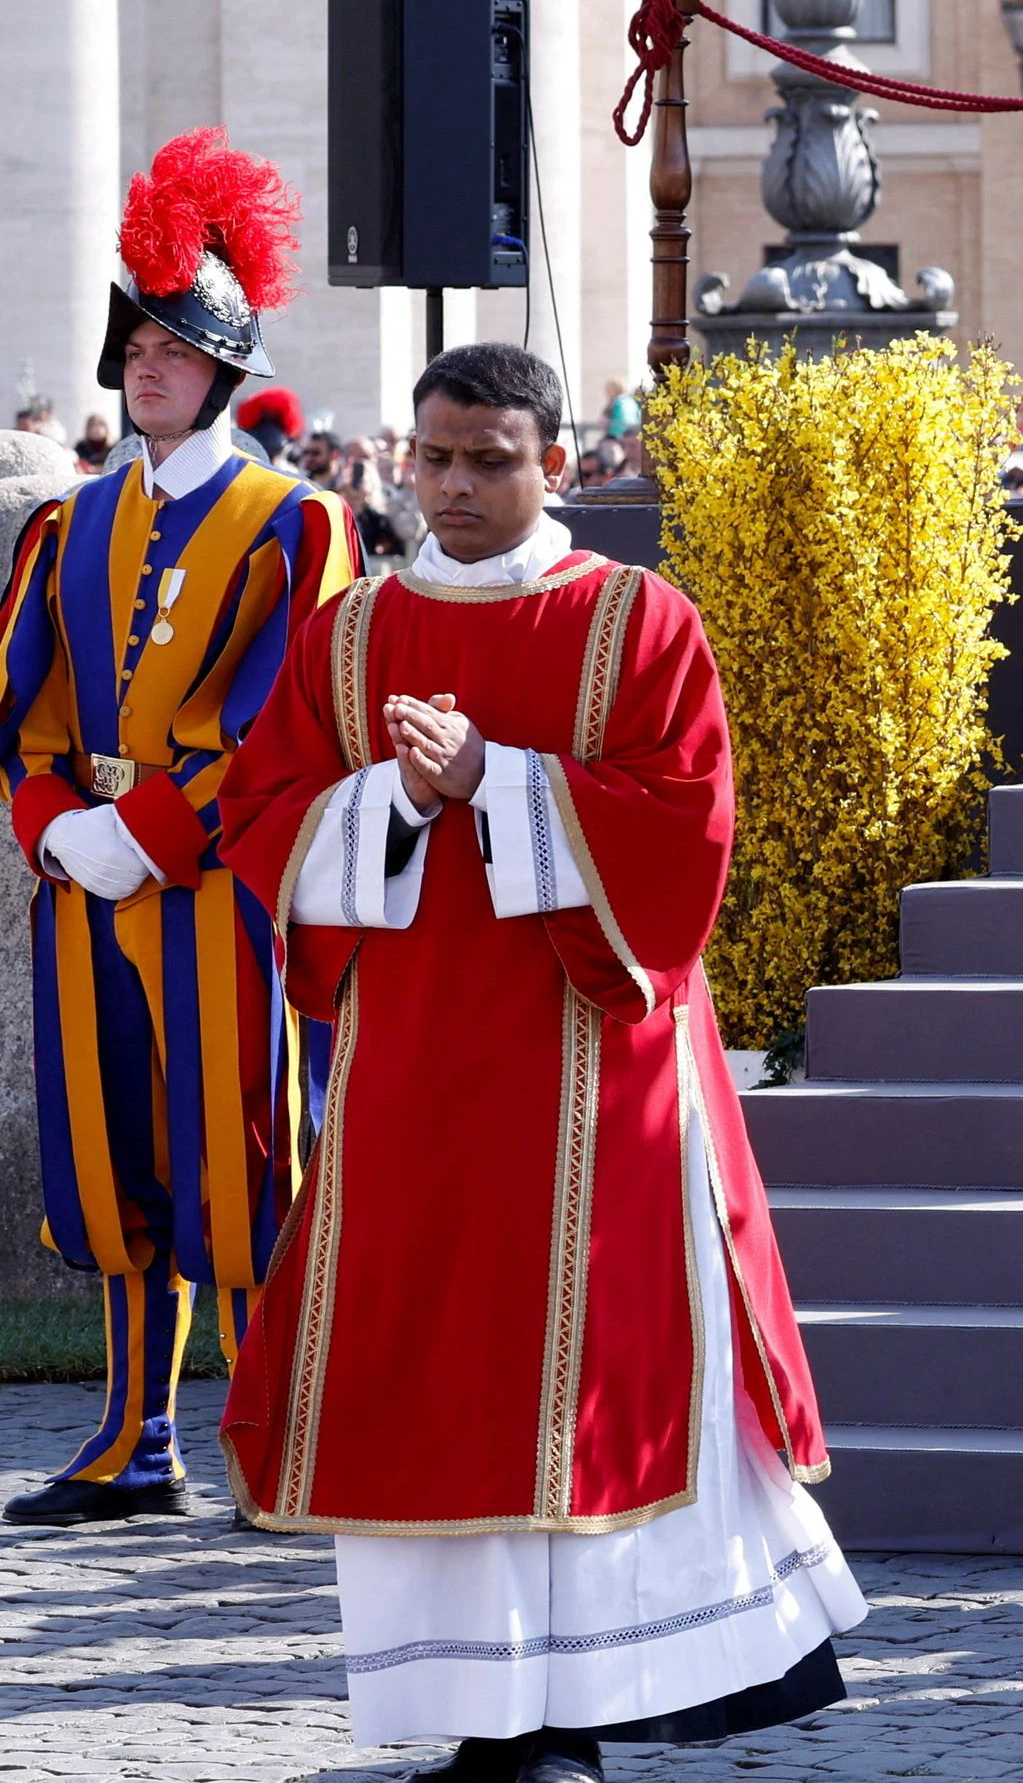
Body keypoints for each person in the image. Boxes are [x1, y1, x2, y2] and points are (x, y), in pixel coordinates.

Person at [218, 341, 861, 1783]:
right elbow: (263, 815)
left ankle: (579, 1709)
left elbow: (685, 831)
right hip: (409, 1077)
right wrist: (393, 797)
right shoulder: (348, 634)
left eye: (489, 459)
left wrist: (494, 782)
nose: (454, 486)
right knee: (427, 1368)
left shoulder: (639, 620)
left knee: (588, 1374)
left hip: (597, 1070)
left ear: (554, 463)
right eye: (434, 458)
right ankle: (473, 1708)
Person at [0, 129, 352, 1527]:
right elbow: (20, 709)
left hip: (215, 884)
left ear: (223, 360)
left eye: (173, 343)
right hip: (82, 877)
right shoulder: (65, 525)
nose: (148, 363)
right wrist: (53, 828)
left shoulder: (295, 522)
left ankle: (275, 1438)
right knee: (112, 1159)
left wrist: (148, 827)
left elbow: (291, 722)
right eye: (134, 343)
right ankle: (131, 1440)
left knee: (241, 1156)